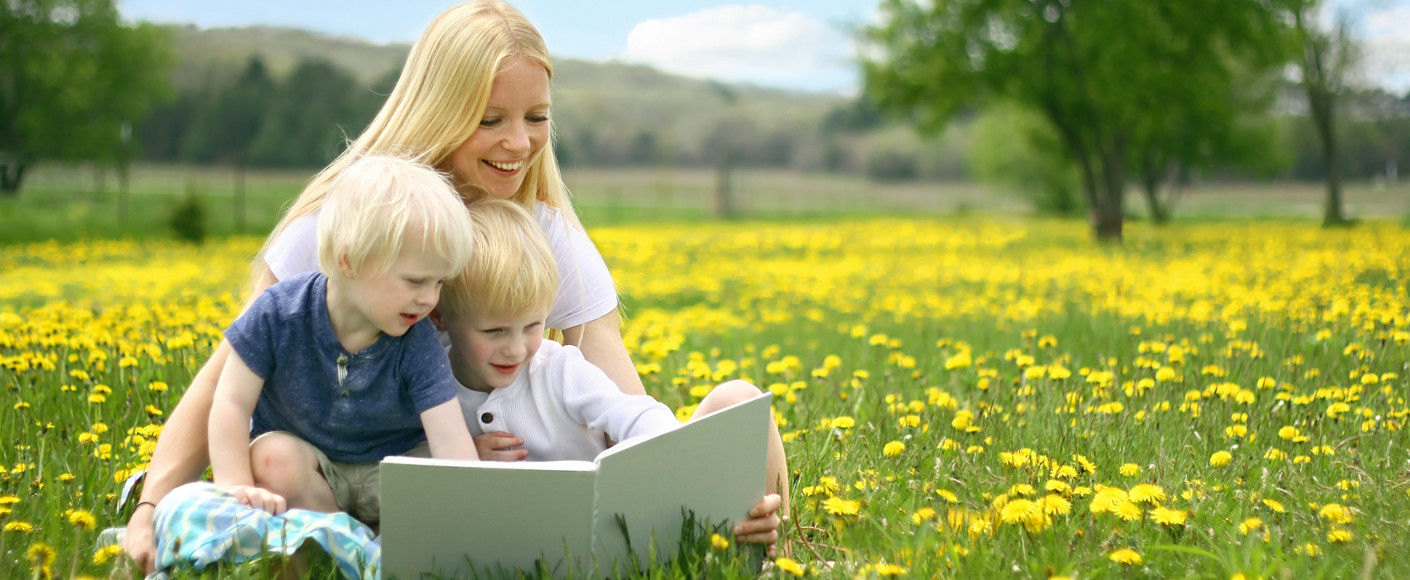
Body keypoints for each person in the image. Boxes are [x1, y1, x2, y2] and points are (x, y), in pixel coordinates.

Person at [122, 1, 783, 572]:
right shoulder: (346, 227)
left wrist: (677, 489)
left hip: (495, 484)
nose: (519, 143)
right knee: (291, 474)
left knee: (739, 404)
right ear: (439, 110)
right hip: (361, 484)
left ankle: (765, 538)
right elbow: (220, 385)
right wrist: (150, 509)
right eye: (490, 119)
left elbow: (619, 392)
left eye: (537, 117)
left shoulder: (545, 229)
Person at [437, 199, 790, 549]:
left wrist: (673, 464)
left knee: (739, 398)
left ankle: (776, 555)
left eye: (532, 325)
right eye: (494, 331)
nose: (515, 349)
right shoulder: (433, 391)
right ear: (440, 318)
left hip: (619, 531)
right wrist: (467, 457)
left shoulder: (558, 369)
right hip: (525, 548)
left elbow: (633, 413)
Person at [207, 155, 479, 524]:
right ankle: (335, 539)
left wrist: (473, 506)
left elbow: (449, 440)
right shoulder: (279, 313)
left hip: (388, 473)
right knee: (271, 457)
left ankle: (377, 547)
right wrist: (235, 487)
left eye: (439, 282)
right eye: (416, 281)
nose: (430, 299)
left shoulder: (416, 341)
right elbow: (231, 402)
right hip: (312, 478)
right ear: (348, 261)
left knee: (436, 478)